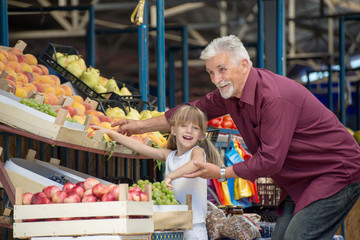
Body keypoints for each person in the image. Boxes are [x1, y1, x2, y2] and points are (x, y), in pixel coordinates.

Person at [112, 35, 360, 240]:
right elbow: (191, 111)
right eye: (211, 72)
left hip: (335, 172)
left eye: (222, 69)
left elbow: (270, 160)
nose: (216, 79)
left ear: (244, 65)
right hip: (300, 180)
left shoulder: (274, 98)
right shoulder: (228, 96)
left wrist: (221, 173)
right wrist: (138, 126)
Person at [92, 105, 223, 240]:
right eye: (184, 126)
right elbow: (140, 147)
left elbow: (195, 164)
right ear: (173, 130)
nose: (189, 131)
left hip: (194, 226)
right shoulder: (170, 156)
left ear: (201, 135)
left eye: (195, 128)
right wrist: (111, 133)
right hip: (173, 225)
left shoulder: (197, 152)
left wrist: (171, 176)